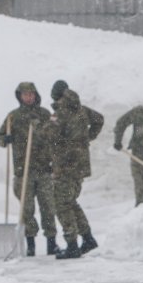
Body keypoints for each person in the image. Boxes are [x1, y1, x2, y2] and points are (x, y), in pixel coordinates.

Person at [0, 82, 59, 256]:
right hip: (23, 171)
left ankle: (51, 243)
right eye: (25, 94)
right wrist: (6, 139)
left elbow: (55, 139)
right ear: (20, 96)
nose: (28, 97)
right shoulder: (13, 117)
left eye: (31, 94)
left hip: (44, 169)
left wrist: (54, 162)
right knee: (27, 210)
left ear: (35, 95)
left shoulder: (44, 114)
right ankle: (30, 244)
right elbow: (0, 138)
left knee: (48, 207)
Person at [50, 80, 103, 256]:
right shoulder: (82, 109)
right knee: (70, 201)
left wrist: (39, 127)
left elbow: (50, 135)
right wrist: (86, 138)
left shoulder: (60, 113)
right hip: (79, 165)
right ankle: (88, 239)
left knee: (61, 204)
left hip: (65, 165)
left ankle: (72, 245)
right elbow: (99, 119)